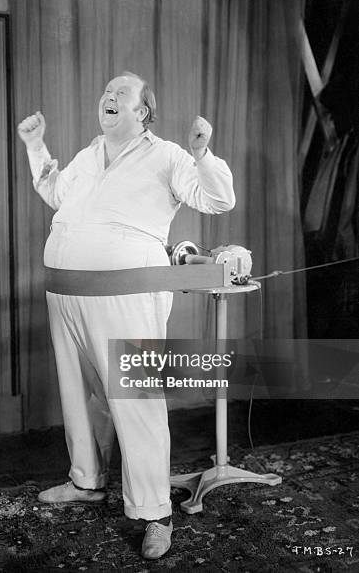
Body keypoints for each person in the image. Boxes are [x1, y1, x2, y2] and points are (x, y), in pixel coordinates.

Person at [17, 72, 235, 560]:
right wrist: (36, 145)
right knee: (83, 393)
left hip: (127, 296)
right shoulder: (89, 153)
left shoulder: (169, 155)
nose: (107, 97)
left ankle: (155, 512)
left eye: (121, 93)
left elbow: (218, 200)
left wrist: (203, 154)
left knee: (135, 398)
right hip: (67, 292)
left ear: (143, 112)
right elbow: (56, 193)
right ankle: (87, 481)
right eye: (105, 92)